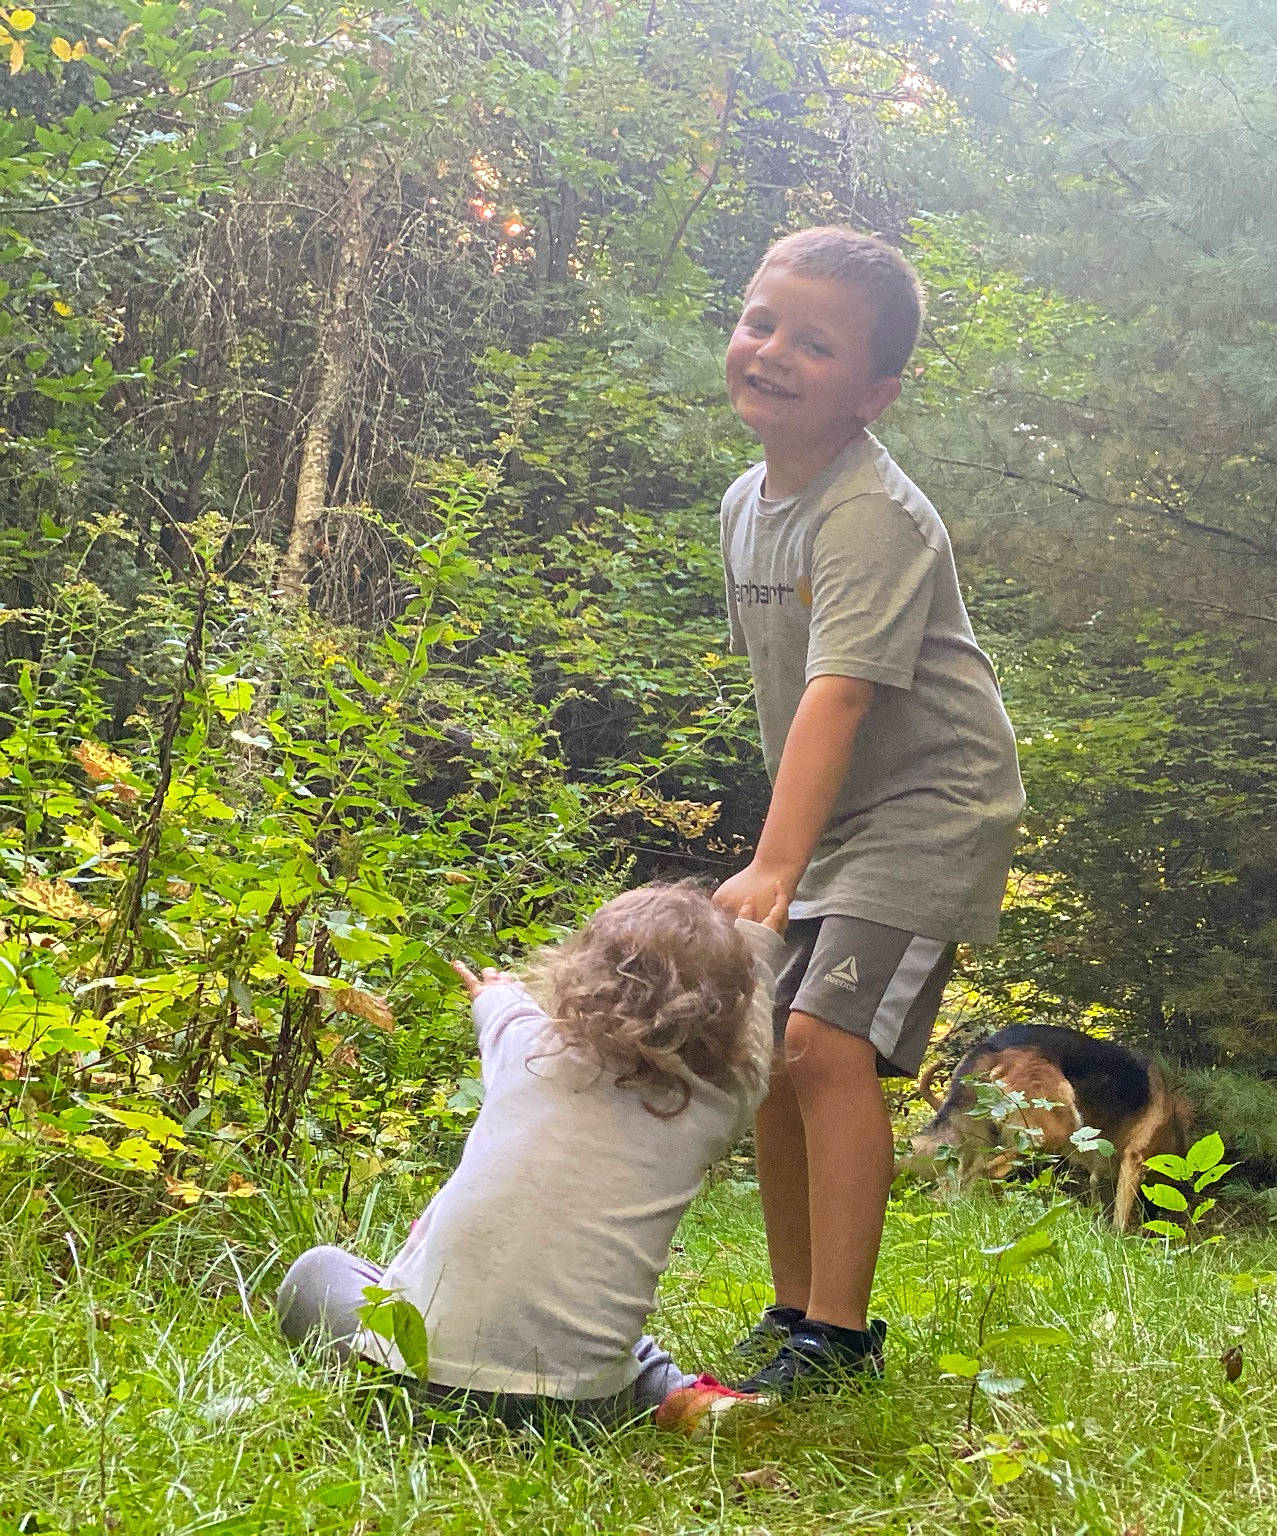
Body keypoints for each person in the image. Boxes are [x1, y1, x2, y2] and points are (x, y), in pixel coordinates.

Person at [713, 225, 1026, 1400]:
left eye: (815, 343)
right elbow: (782, 696)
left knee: (820, 1043)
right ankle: (790, 1312)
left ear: (873, 393)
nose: (772, 351)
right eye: (760, 322)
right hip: (841, 819)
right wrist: (792, 848)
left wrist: (773, 862)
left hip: (931, 806)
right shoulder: (747, 503)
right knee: (768, 1059)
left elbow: (838, 698)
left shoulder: (870, 516)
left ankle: (837, 1339)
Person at [274, 882, 785, 1432]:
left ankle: (666, 1395)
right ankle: (681, 1399)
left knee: (316, 1272)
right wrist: (758, 946)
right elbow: (754, 1051)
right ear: (731, 1004)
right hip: (582, 1410)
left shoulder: (532, 1052)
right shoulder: (717, 1101)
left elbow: (500, 1009)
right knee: (589, 1311)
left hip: (409, 1386)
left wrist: (492, 989)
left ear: (582, 973)